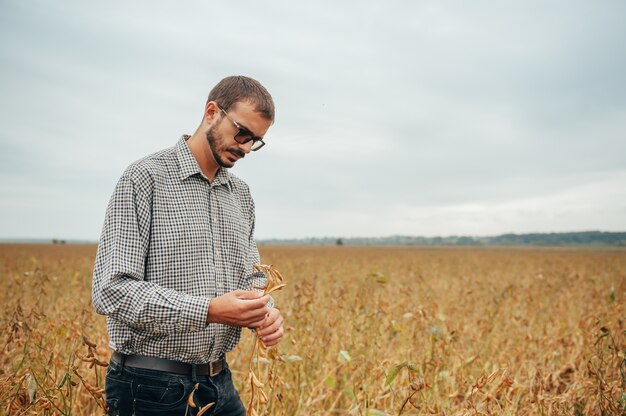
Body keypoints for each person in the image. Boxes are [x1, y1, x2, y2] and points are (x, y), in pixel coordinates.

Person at [92, 75, 285, 416]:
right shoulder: (144, 178)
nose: (245, 148)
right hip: (147, 386)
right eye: (242, 133)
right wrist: (209, 310)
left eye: (256, 141)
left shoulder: (241, 195)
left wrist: (264, 312)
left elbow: (251, 279)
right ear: (212, 112)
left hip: (217, 382)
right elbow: (112, 291)